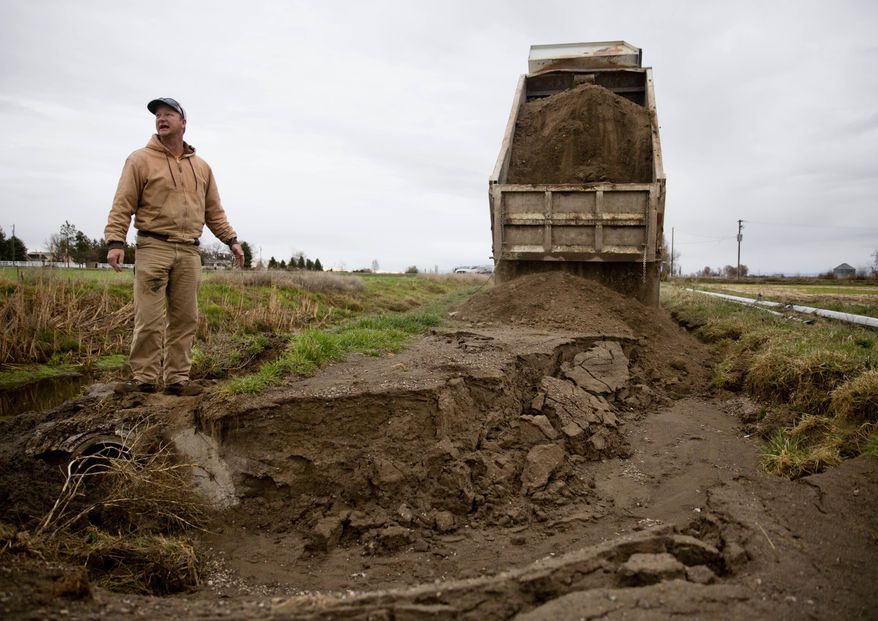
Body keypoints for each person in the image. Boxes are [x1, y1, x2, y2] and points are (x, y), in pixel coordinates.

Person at [105, 97, 244, 396]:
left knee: (185, 320)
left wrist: (231, 240)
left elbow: (214, 211)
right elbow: (123, 203)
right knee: (150, 320)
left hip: (190, 252)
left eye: (169, 114)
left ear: (183, 123)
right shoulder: (139, 160)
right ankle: (143, 380)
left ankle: (177, 380)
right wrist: (116, 241)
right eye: (158, 115)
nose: (161, 118)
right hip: (154, 246)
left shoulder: (202, 168)